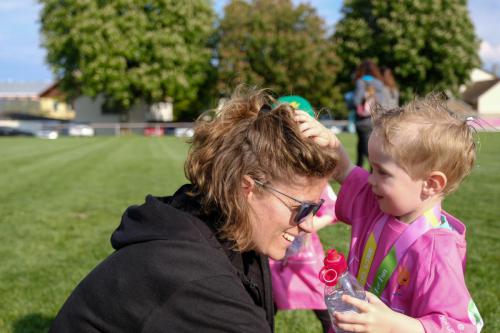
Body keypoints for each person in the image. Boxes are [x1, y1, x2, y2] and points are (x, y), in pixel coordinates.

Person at [49, 87, 338, 333]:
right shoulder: (200, 282)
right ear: (247, 187)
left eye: (317, 208)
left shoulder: (231, 229)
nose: (309, 225)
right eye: (301, 209)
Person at [294, 95, 483, 333]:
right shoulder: (379, 204)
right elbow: (346, 171)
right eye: (372, 168)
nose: (370, 179)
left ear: (431, 184)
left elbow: (459, 327)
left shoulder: (438, 251)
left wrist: (397, 325)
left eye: (382, 172)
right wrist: (331, 144)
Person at [269, 96, 338, 333]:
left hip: (305, 257)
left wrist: (309, 223)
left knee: (323, 302)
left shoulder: (315, 175)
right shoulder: (268, 171)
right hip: (271, 258)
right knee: (266, 301)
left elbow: (332, 210)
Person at [353, 60, 385, 168]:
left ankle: (374, 167)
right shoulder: (379, 83)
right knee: (371, 144)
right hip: (376, 119)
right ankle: (365, 168)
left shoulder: (360, 82)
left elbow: (356, 100)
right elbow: (381, 103)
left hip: (363, 120)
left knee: (364, 146)